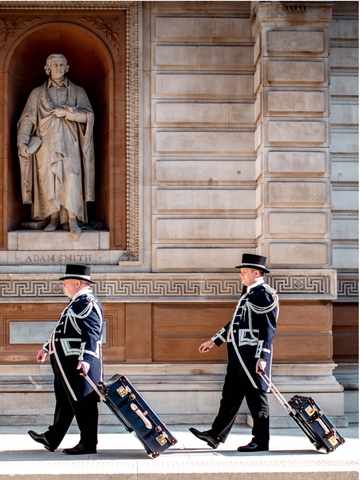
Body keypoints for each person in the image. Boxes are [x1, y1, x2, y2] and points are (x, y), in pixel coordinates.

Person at [189, 253, 279, 452]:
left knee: (257, 400)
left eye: (244, 272)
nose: (241, 275)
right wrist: (214, 340)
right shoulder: (248, 293)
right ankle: (216, 435)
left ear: (257, 273)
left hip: (252, 358)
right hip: (238, 356)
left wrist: (263, 357)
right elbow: (235, 323)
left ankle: (261, 441)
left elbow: (268, 329)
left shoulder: (264, 294)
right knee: (229, 396)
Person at [17, 53, 95, 240]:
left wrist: (69, 114)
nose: (58, 68)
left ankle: (73, 219)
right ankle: (52, 218)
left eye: (62, 65)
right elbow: (27, 119)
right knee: (48, 180)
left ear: (67, 68)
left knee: (71, 177)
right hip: (45, 144)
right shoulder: (37, 93)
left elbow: (89, 117)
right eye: (55, 65)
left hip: (71, 143)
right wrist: (23, 141)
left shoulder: (78, 91)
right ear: (48, 68)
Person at [28, 264, 103, 455]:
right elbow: (64, 329)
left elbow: (91, 333)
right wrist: (47, 347)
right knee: (65, 401)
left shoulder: (86, 302)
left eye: (66, 283)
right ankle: (52, 438)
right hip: (66, 364)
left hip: (76, 363)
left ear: (77, 283)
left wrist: (85, 359)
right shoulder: (77, 301)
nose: (63, 287)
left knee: (83, 402)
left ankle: (88, 443)